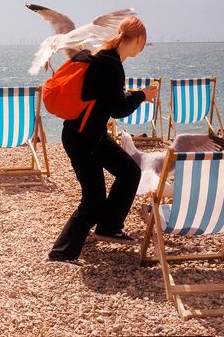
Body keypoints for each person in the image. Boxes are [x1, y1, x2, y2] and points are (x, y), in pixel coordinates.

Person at [48, 16, 158, 263]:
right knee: (94, 200)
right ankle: (61, 253)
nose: (143, 47)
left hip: (91, 134)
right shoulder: (110, 64)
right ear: (139, 39)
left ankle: (108, 227)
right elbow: (117, 109)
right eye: (144, 42)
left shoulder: (106, 58)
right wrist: (142, 95)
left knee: (129, 171)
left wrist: (135, 94)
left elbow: (107, 98)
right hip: (82, 138)